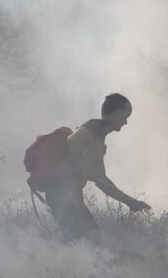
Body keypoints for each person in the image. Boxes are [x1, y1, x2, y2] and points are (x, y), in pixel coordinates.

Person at [43, 93, 150, 242]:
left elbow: (101, 181)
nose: (125, 122)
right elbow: (73, 140)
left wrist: (130, 202)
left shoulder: (100, 137)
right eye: (125, 117)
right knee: (87, 238)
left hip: (69, 194)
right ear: (116, 114)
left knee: (87, 238)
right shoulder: (95, 126)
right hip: (60, 192)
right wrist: (85, 166)